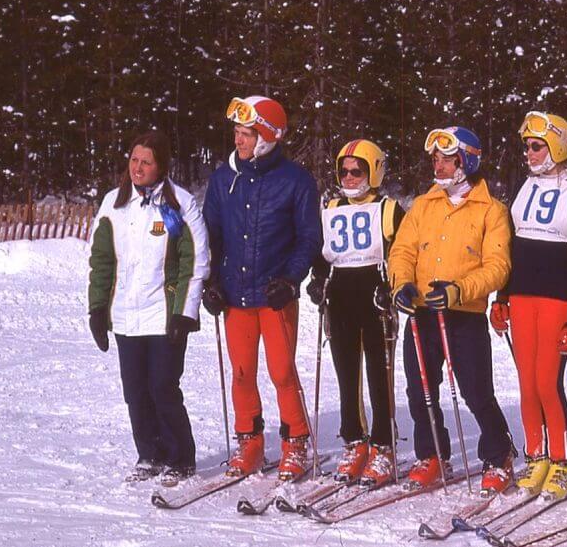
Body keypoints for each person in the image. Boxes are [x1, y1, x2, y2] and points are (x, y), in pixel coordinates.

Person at [201, 95, 322, 481]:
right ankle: (250, 440)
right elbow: (212, 235)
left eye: (247, 134)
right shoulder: (223, 179)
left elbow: (308, 237)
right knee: (241, 372)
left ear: (268, 137)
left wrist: (291, 279)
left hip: (274, 295)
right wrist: (212, 281)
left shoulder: (296, 181)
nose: (238, 140)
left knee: (282, 372)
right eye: (237, 133)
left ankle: (296, 440)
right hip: (236, 295)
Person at [388, 125, 515, 492]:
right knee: (420, 388)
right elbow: (403, 250)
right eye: (435, 159)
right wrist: (401, 283)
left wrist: (460, 290)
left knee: (475, 390)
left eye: (446, 159)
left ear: (466, 161)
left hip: (464, 313)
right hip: (423, 311)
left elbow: (498, 266)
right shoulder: (424, 205)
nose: (438, 165)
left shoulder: (491, 209)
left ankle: (498, 454)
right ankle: (431, 454)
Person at [88, 130, 210, 486]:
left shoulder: (180, 204)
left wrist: (184, 312)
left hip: (163, 313)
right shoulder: (114, 202)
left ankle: (180, 456)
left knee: (162, 386)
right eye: (134, 160)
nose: (137, 168)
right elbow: (102, 259)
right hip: (127, 314)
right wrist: (98, 309)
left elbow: (196, 259)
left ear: (161, 166)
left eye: (146, 162)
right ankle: (149, 453)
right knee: (135, 390)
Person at [489, 112, 567, 499]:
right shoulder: (524, 188)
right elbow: (511, 248)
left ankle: (563, 460)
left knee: (547, 383)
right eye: (528, 147)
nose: (530, 154)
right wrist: (501, 297)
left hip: (557, 299)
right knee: (526, 383)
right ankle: (537, 456)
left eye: (537, 146)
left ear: (558, 147)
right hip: (521, 297)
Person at [306, 140, 406, 487]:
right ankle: (354, 440)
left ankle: (383, 445)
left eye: (357, 171)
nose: (349, 178)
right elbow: (321, 255)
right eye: (344, 171)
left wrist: (391, 287)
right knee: (347, 373)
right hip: (342, 297)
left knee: (380, 374)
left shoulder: (389, 208)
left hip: (376, 298)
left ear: (374, 171)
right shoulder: (331, 206)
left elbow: (403, 255)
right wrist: (317, 281)